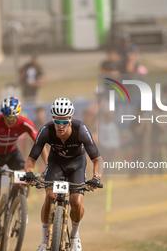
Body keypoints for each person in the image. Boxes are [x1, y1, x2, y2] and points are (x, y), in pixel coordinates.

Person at [23, 97, 103, 251]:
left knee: (76, 202)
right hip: (56, 163)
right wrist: (29, 173)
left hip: (77, 165)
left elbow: (97, 159)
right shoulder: (46, 130)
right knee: (49, 195)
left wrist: (96, 177)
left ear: (71, 119)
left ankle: (74, 236)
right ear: (52, 119)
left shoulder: (81, 130)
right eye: (57, 121)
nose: (60, 126)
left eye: (64, 122)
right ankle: (44, 241)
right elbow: (31, 158)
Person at [0, 96, 48, 249]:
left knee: (27, 173)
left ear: (18, 114)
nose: (10, 121)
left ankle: (23, 207)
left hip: (12, 153)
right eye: (7, 118)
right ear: (3, 114)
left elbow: (39, 142)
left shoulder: (24, 123)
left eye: (13, 118)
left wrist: (48, 165)